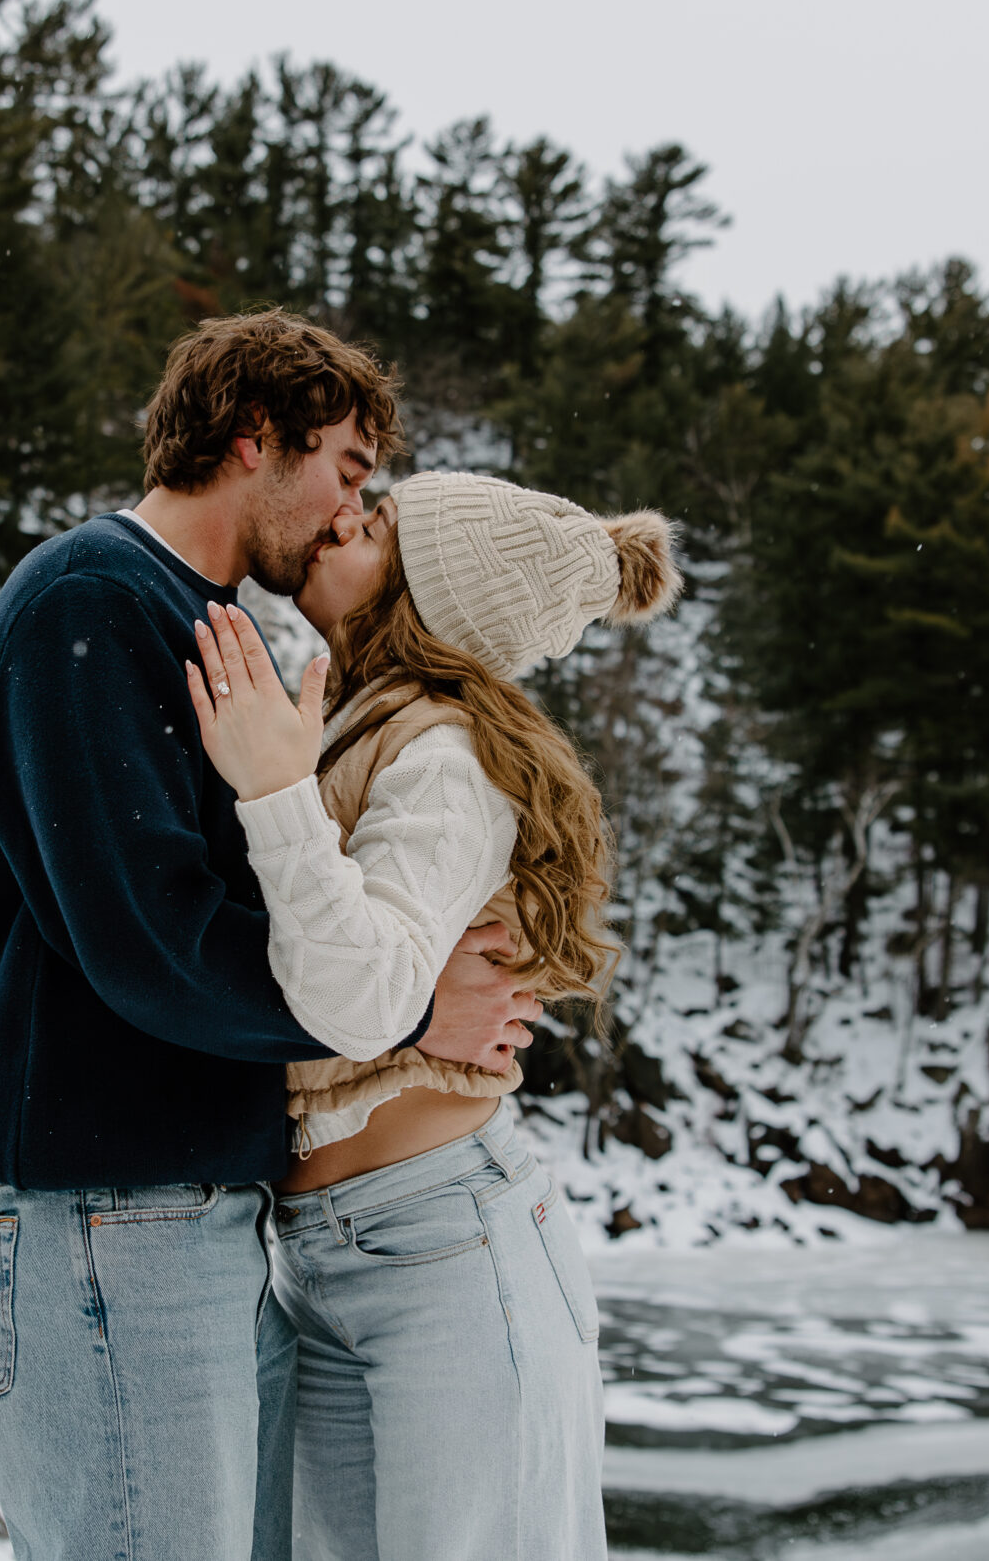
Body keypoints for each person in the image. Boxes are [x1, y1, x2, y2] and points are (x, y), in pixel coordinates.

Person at [0, 312, 541, 1561]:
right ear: (257, 437)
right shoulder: (92, 600)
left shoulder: (195, 618)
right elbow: (155, 943)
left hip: (168, 1219)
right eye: (346, 470)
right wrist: (413, 1015)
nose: (350, 512)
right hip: (93, 1221)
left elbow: (241, 919)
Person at [183, 469, 681, 1561]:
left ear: (427, 593)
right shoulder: (349, 727)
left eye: (378, 525)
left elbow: (361, 1000)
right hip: (325, 1252)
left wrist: (274, 795)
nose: (345, 515)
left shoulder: (444, 757)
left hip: (444, 1245)